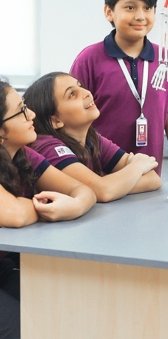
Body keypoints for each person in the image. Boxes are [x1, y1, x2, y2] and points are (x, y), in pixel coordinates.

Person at [69, 0, 168, 181]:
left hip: (149, 179)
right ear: (109, 12)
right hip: (101, 177)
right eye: (130, 7)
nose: (140, 16)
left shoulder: (165, 59)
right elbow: (72, 124)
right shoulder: (89, 60)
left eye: (147, 8)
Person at [0, 80, 96, 338]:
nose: (31, 115)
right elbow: (15, 215)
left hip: (4, 267)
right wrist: (48, 206)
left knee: (64, 309)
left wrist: (73, 205)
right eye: (21, 110)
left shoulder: (24, 154)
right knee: (24, 329)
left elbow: (85, 191)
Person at [24, 72, 162, 202]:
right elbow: (104, 191)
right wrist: (138, 166)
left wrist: (113, 184)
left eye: (81, 86)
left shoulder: (92, 138)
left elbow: (153, 179)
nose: (87, 93)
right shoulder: (46, 146)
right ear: (55, 121)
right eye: (72, 94)